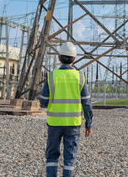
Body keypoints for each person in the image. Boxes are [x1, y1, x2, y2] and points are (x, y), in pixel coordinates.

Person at [39, 42, 93, 177]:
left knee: (52, 155)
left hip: (54, 123)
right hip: (73, 123)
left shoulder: (51, 76)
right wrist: (89, 124)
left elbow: (43, 101)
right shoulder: (80, 77)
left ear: (59, 58)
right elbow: (87, 103)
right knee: (70, 157)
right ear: (74, 59)